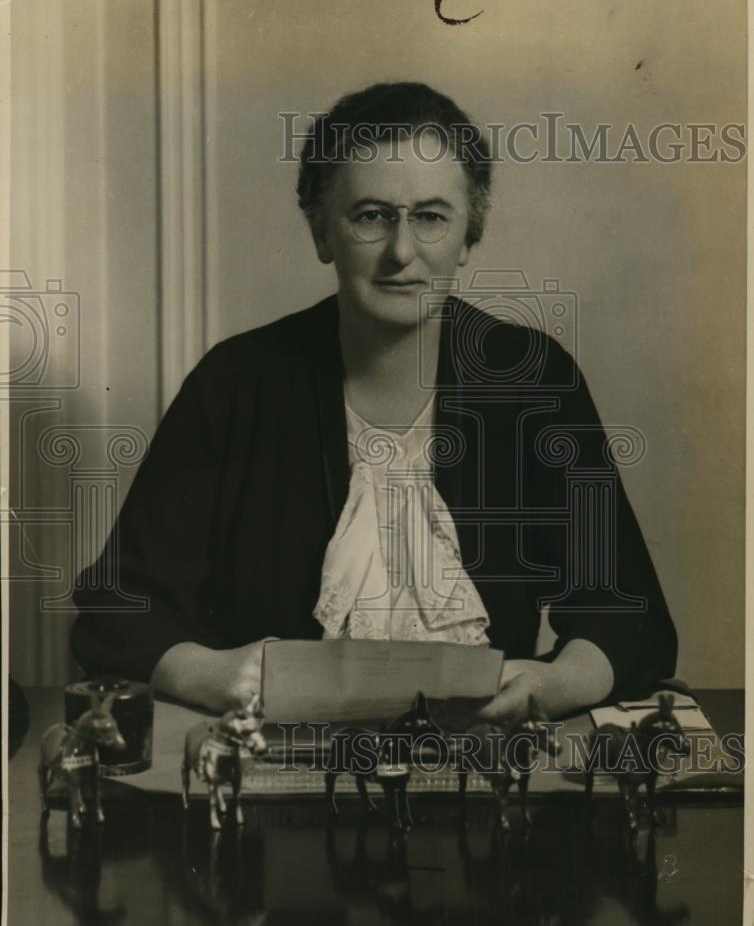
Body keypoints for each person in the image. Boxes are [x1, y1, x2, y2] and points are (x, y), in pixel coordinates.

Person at [71, 82, 677, 721]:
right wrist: (212, 673)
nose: (401, 252)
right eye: (371, 215)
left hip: (483, 759)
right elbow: (118, 608)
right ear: (321, 232)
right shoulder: (236, 383)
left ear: (469, 237)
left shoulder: (531, 379)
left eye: (431, 216)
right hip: (279, 758)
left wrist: (552, 684)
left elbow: (628, 613)